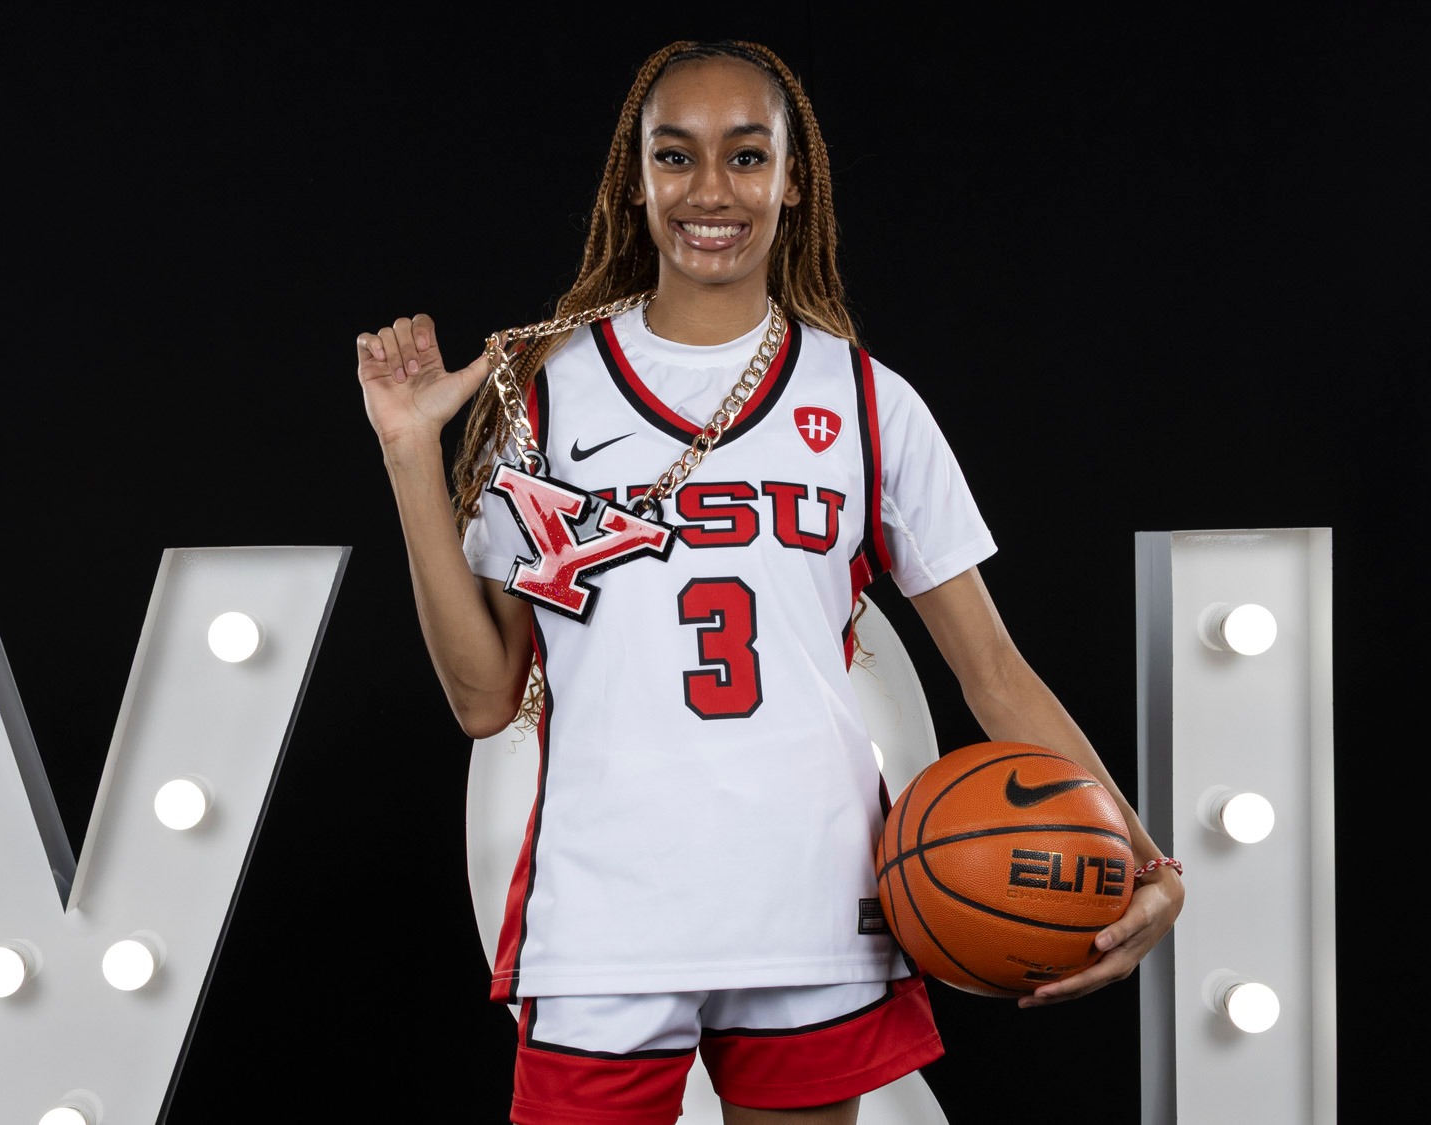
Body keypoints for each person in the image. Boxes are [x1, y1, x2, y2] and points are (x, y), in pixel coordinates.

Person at [354, 39, 1183, 1125]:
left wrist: (1141, 855)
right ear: (636, 179)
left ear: (792, 183)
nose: (711, 191)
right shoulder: (554, 398)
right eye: (676, 156)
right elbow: (481, 698)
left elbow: (992, 673)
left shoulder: (867, 402)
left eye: (747, 157)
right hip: (606, 911)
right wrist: (411, 456)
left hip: (810, 902)